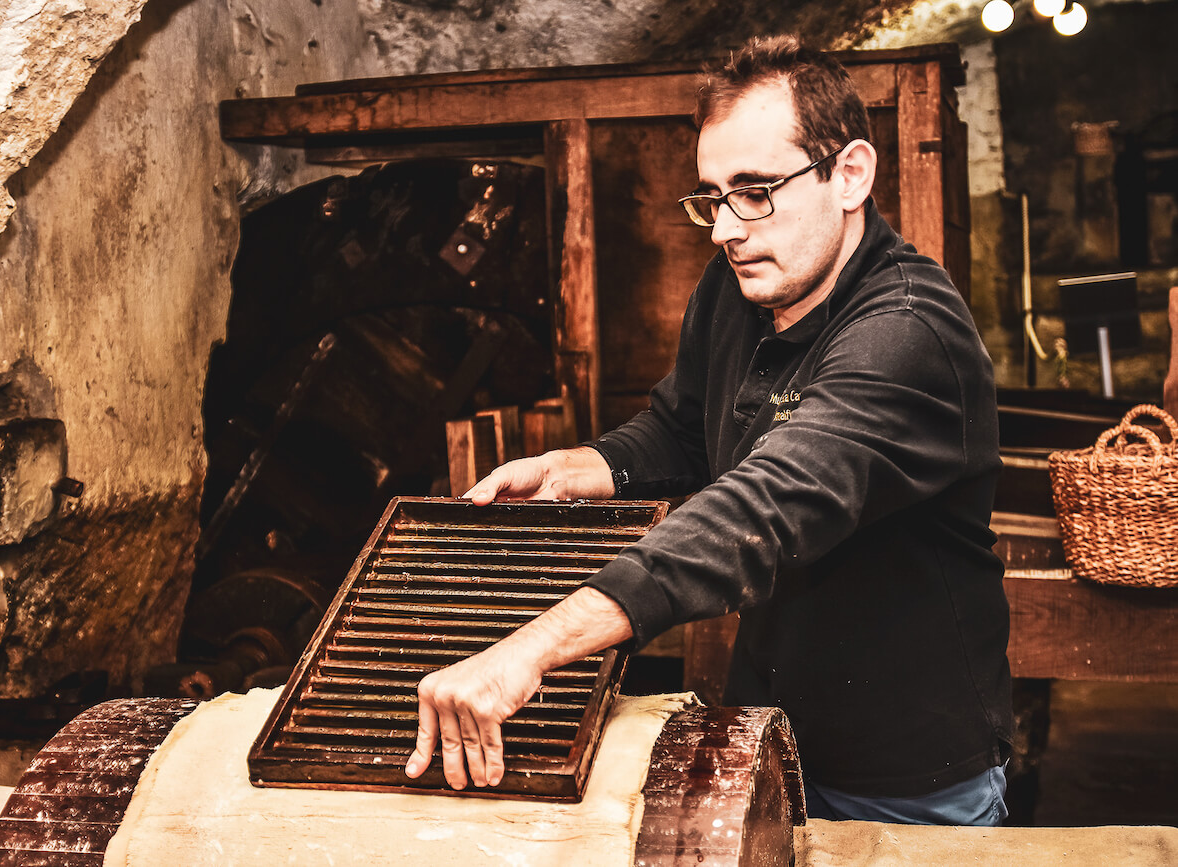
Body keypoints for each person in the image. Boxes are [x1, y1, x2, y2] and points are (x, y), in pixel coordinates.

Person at [404, 35, 1014, 826]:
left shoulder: (907, 331)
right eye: (713, 196)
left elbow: (762, 509)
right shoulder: (739, 284)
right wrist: (581, 465)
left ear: (850, 174)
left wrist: (532, 646)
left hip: (908, 779)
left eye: (756, 190)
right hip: (763, 740)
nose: (725, 228)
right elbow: (686, 427)